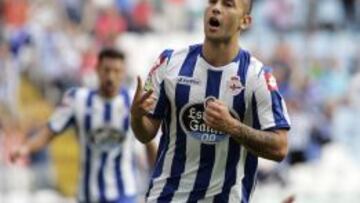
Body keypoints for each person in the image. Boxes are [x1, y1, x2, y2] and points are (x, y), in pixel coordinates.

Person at [130, 0, 291, 202]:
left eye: (228, 4)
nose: (216, 8)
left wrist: (232, 127)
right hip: (168, 197)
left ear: (245, 21)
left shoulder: (257, 76)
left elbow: (280, 147)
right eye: (212, 2)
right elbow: (145, 134)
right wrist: (136, 117)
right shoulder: (170, 63)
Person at [11, 48, 156, 203]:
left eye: (116, 71)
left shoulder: (133, 101)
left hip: (124, 195)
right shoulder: (77, 99)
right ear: (97, 69)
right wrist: (26, 148)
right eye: (106, 70)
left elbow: (148, 139)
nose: (111, 77)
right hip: (88, 195)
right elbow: (50, 130)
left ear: (123, 72)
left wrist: (157, 172)